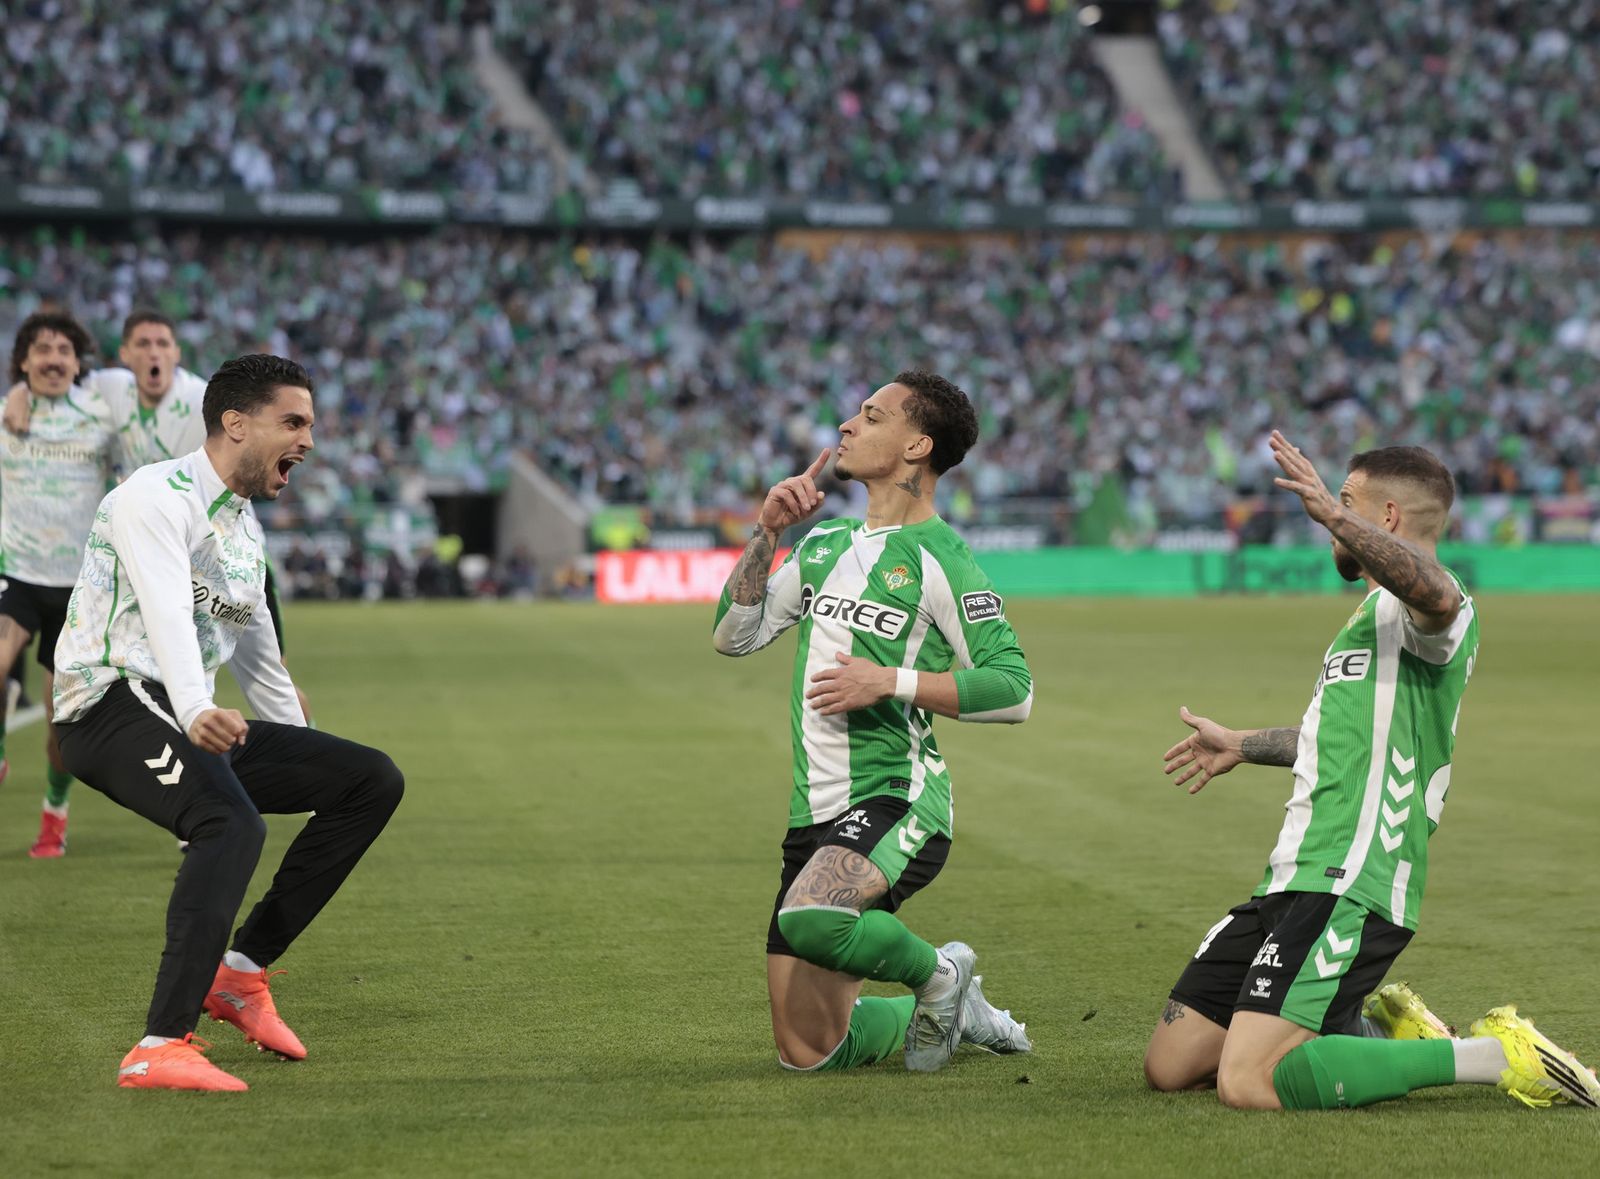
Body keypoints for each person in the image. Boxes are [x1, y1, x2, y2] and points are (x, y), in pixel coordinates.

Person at [1143, 432, 1599, 1111]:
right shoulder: (1372, 617)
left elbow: (1439, 594)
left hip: (1353, 874)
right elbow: (1336, 739)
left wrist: (1334, 515)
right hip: (1292, 870)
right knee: (1172, 1063)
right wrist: (1243, 742)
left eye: (1350, 502)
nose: (1332, 518)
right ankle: (1362, 1026)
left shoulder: (1435, 613)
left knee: (1247, 1082)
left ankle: (1492, 1052)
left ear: (1384, 518)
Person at [52, 354, 403, 1091]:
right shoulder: (155, 495)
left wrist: (310, 773)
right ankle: (158, 1043)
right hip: (111, 702)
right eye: (294, 422)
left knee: (369, 779)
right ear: (236, 423)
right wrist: (195, 707)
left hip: (189, 711)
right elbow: (166, 613)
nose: (308, 440)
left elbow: (263, 662)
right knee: (230, 823)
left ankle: (241, 973)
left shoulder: (244, 531)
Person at [713, 370, 1034, 1074]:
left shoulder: (944, 559)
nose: (847, 426)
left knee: (812, 918)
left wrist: (890, 680)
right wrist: (767, 533)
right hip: (813, 809)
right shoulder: (824, 545)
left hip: (897, 796)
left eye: (871, 415)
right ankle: (961, 1007)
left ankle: (941, 976)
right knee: (808, 1053)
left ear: (917, 444)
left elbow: (1015, 688)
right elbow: (733, 637)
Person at [6, 310, 312, 726]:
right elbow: (57, 378)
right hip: (148, 538)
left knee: (277, 681)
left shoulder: (198, 398)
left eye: (163, 344)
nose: (155, 353)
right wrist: (21, 392)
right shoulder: (108, 391)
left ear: (177, 354)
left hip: (227, 546)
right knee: (147, 664)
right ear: (126, 355)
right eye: (144, 344)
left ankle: (299, 755)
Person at [0, 311, 120, 857]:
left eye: (63, 350)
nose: (52, 358)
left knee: (57, 722)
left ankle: (54, 815)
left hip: (79, 587)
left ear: (78, 364)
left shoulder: (101, 416)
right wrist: (15, 397)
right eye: (40, 349)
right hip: (17, 572)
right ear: (22, 361)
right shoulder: (5, 414)